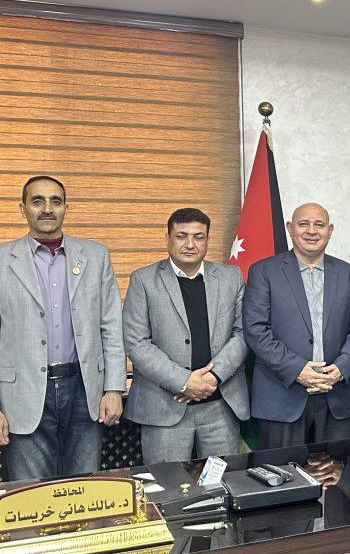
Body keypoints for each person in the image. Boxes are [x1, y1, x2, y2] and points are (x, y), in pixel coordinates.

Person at [0, 175, 125, 480]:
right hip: (22, 395)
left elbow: (111, 325)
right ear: (22, 209)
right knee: (31, 492)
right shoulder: (2, 259)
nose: (47, 208)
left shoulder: (95, 256)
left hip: (85, 391)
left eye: (55, 201)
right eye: (37, 201)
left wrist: (114, 388)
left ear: (66, 208)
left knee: (84, 487)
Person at [123, 208, 249, 463]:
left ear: (207, 240)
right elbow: (136, 343)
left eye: (198, 237)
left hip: (220, 406)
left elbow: (244, 333)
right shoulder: (143, 280)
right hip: (164, 408)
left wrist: (213, 376)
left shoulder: (231, 277)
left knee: (222, 482)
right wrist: (184, 381)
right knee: (167, 485)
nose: (190, 244)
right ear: (167, 238)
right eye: (181, 236)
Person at [243, 203, 350, 449]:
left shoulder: (349, 274)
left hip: (336, 395)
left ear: (330, 230)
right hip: (281, 396)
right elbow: (256, 330)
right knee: (282, 472)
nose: (312, 231)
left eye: (319, 225)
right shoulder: (263, 271)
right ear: (290, 229)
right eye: (304, 224)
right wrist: (297, 370)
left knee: (336, 471)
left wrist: (341, 368)